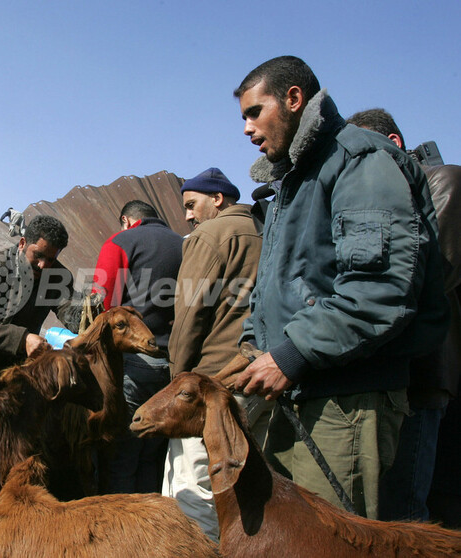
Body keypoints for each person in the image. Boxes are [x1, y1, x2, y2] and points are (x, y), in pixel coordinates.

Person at [230, 56, 447, 519]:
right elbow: (279, 284)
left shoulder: (360, 161)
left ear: (294, 98)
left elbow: (379, 288)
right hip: (295, 392)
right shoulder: (296, 179)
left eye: (254, 112)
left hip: (345, 402)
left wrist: (291, 354)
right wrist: (254, 343)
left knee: (334, 537)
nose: (247, 128)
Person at [346, 108, 461, 522]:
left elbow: (427, 276)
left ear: (393, 144)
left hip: (424, 372)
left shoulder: (442, 181)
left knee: (407, 513)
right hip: (393, 374)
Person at [161, 167, 271, 540]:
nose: (187, 216)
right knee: (249, 490)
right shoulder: (266, 229)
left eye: (192, 205)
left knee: (192, 488)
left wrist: (179, 380)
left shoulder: (210, 235)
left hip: (213, 381)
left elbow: (189, 314)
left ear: (217, 199)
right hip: (263, 376)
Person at [90, 200, 182, 494]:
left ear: (126, 220)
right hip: (173, 365)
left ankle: (121, 520)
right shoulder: (184, 244)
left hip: (133, 365)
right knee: (153, 458)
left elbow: (103, 304)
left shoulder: (121, 241)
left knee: (121, 456)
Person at [0, 215, 81, 374]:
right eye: (38, 255)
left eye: (50, 260)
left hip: (17, 369)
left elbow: (68, 308)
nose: (42, 265)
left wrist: (86, 315)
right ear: (22, 243)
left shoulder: (57, 275)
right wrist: (23, 339)